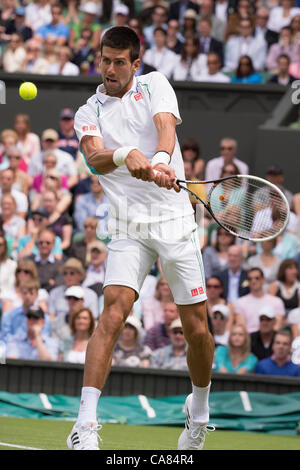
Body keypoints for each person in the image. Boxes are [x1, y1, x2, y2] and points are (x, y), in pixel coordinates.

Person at [66, 26, 215, 451]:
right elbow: (95, 157)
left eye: (119, 62)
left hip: (174, 223)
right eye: (104, 60)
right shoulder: (87, 111)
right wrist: (124, 154)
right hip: (128, 227)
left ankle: (199, 412)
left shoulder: (155, 85)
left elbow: (165, 126)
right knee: (111, 314)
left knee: (197, 330)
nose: (109, 69)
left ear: (135, 63)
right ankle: (85, 425)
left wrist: (162, 160)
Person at [233, 267, 285, 333]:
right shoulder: (240, 302)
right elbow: (242, 328)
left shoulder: (277, 302)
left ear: (263, 280)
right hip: (249, 339)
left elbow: (277, 326)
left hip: (270, 338)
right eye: (250, 279)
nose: (253, 281)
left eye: (257, 278)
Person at [1, 279, 51, 344]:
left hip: (35, 350)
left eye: (31, 293)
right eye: (25, 293)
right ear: (20, 294)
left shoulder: (45, 318)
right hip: (13, 349)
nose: (28, 296)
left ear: (37, 295)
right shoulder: (8, 315)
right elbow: (5, 338)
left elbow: (45, 338)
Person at [0, 234, 17, 302]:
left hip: (5, 299)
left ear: (4, 247)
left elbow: (11, 287)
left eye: (0, 244)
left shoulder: (12, 265)